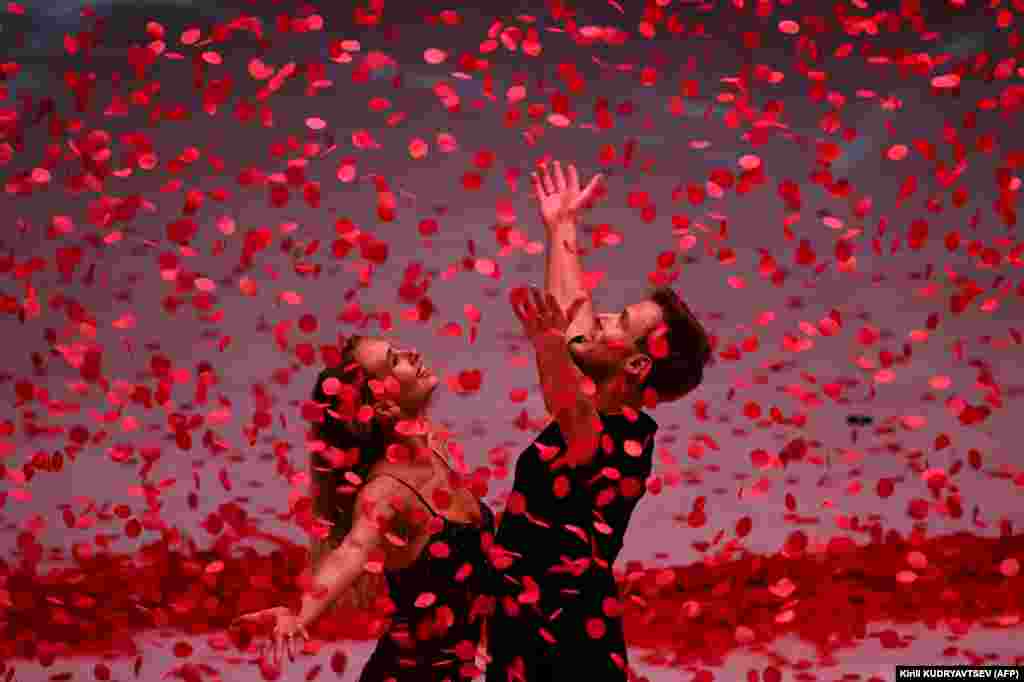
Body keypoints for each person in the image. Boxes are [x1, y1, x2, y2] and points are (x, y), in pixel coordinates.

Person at [486, 160, 714, 682]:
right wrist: (562, 224)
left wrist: (547, 348)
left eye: (621, 322)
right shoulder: (615, 400)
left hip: (562, 644)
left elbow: (569, 408)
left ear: (635, 364)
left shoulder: (619, 441)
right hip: (529, 628)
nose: (601, 314)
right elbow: (575, 324)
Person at [235, 335, 495, 681]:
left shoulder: (434, 442)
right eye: (393, 361)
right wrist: (300, 616)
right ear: (384, 408)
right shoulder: (385, 492)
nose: (411, 351)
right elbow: (352, 551)